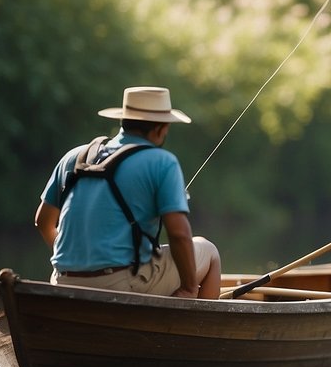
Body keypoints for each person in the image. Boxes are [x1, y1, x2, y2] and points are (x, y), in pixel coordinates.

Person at [34, 86, 221, 299]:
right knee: (210, 251)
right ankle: (197, 328)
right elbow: (178, 234)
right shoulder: (162, 162)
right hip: (121, 284)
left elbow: (43, 222)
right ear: (162, 129)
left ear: (124, 121)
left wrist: (76, 265)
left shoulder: (75, 157)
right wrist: (188, 288)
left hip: (62, 281)